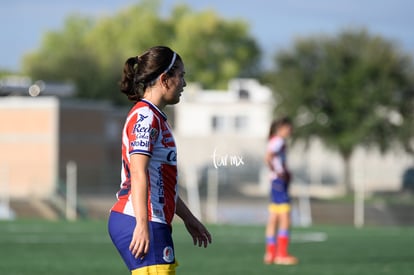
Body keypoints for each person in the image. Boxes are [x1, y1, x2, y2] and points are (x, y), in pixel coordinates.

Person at [108, 46, 212, 275]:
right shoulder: (145, 117)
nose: (184, 84)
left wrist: (188, 218)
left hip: (152, 219)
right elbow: (138, 173)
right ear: (165, 79)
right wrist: (142, 225)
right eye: (181, 76)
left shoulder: (156, 117)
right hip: (140, 219)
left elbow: (162, 184)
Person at [263, 117, 298, 265]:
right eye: (288, 128)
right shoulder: (278, 141)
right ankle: (281, 254)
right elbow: (268, 157)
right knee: (285, 217)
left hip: (275, 182)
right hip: (278, 182)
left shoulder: (273, 140)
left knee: (274, 218)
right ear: (281, 128)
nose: (290, 131)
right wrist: (278, 171)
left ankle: (270, 254)